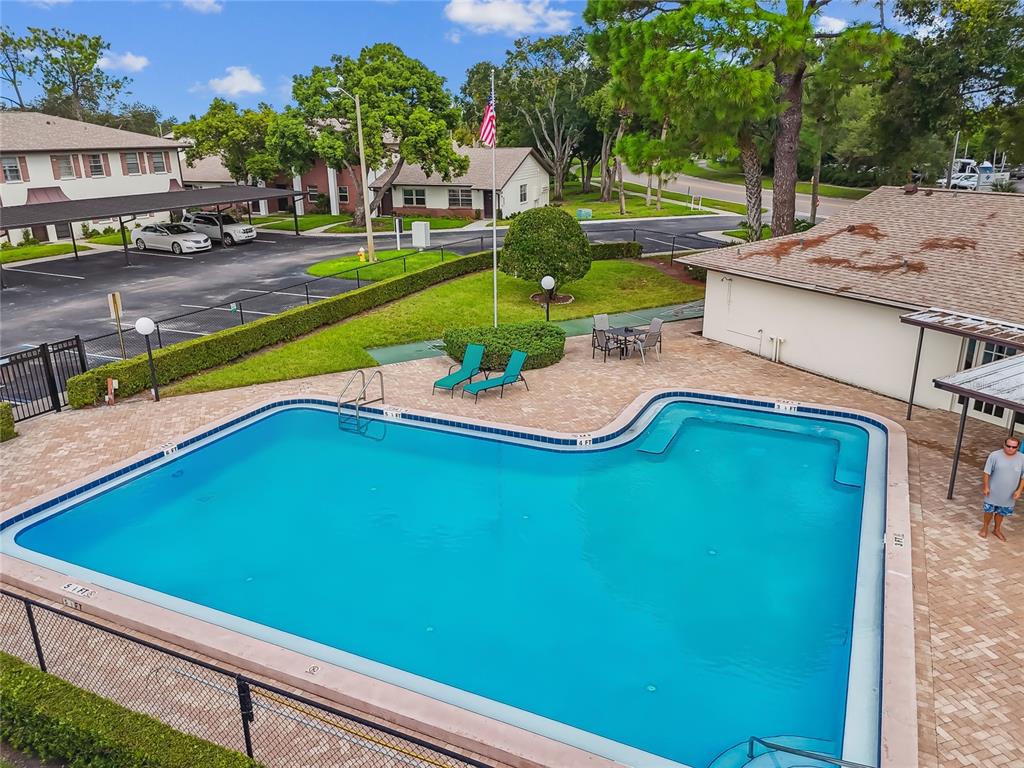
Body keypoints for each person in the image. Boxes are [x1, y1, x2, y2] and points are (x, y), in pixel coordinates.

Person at [979, 435, 1024, 541]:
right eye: (1008, 446)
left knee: (1001, 512)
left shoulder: (1022, 458)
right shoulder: (994, 455)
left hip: (1009, 493)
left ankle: (997, 529)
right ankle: (985, 528)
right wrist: (986, 487)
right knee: (989, 511)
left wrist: (1019, 490)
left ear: (1017, 447)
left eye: (1014, 447)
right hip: (993, 491)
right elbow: (986, 472)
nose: (1010, 449)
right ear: (1004, 445)